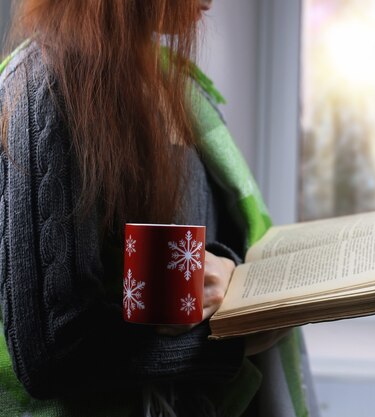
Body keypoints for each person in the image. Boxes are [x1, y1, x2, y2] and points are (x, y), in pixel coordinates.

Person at [0, 1, 318, 416]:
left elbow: (169, 249)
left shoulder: (168, 83)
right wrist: (225, 347)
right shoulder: (42, 91)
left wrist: (223, 266)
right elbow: (52, 352)